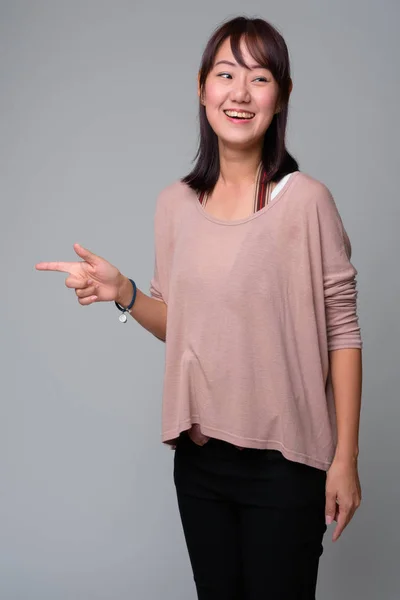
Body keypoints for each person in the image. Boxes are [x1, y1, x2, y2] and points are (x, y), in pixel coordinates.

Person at [35, 15, 363, 600]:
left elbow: (342, 331)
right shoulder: (174, 205)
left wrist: (345, 459)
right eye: (226, 74)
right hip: (201, 461)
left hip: (286, 464)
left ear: (281, 96)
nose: (240, 92)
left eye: (259, 78)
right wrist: (126, 292)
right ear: (202, 87)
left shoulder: (306, 201)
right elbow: (184, 322)